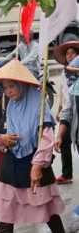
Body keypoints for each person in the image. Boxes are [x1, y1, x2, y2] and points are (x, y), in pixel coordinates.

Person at [0, 59, 65, 233]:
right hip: (11, 164)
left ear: (22, 84)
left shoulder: (38, 103)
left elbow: (46, 139)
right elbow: (3, 135)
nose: (8, 91)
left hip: (34, 164)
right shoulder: (11, 105)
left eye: (12, 86)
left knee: (47, 211)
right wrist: (3, 139)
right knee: (5, 215)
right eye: (5, 88)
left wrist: (37, 166)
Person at [53, 41, 79, 184]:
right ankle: (67, 174)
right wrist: (59, 110)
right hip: (71, 115)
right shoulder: (65, 74)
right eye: (67, 54)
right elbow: (65, 97)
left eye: (73, 53)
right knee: (63, 141)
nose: (69, 56)